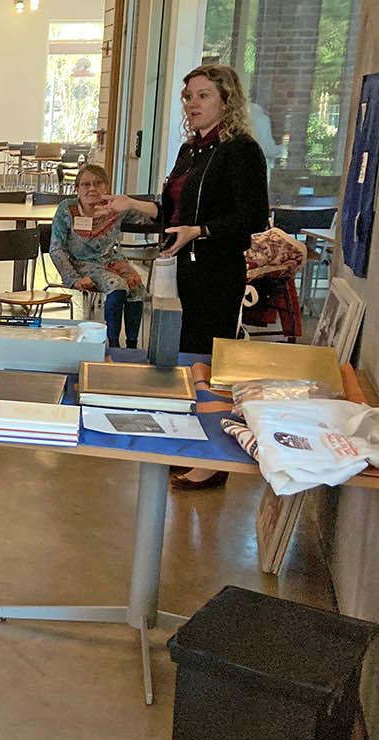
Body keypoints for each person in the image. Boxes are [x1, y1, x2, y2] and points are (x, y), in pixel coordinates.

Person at [103, 63, 268, 489]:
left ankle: (213, 461)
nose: (192, 104)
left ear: (226, 101)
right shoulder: (191, 151)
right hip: (179, 270)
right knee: (179, 357)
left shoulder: (241, 151)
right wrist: (129, 204)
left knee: (205, 361)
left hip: (216, 271)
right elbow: (170, 214)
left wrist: (201, 231)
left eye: (203, 96)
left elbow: (251, 217)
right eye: (188, 96)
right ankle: (191, 442)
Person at [49, 163, 149, 348]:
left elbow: (148, 218)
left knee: (136, 284)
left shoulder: (114, 207)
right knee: (117, 285)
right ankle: (112, 345)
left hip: (110, 259)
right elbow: (56, 248)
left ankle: (132, 346)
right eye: (86, 184)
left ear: (107, 187)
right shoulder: (67, 209)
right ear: (77, 189)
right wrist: (73, 278)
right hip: (80, 263)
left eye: (98, 183)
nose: (92, 188)